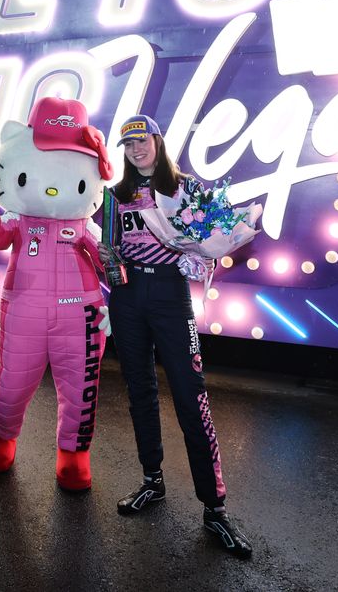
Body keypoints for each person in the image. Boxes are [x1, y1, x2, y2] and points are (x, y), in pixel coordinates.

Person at [100, 115, 253, 559]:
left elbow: (211, 239)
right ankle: (153, 481)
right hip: (128, 298)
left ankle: (215, 507)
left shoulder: (187, 189)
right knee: (140, 392)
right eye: (128, 145)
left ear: (157, 141)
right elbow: (110, 249)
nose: (135, 149)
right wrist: (106, 262)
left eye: (141, 141)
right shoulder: (116, 196)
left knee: (190, 395)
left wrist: (203, 262)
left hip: (170, 297)